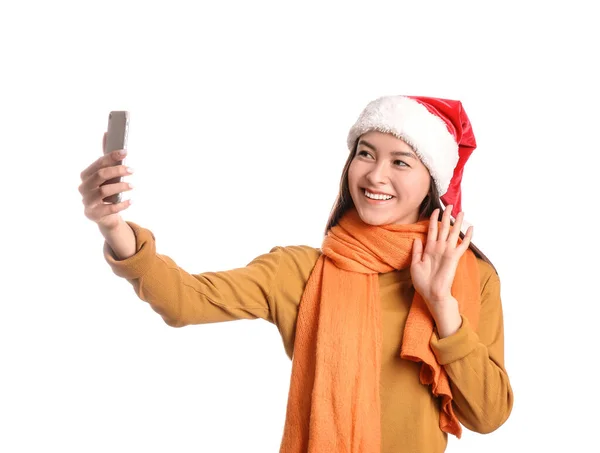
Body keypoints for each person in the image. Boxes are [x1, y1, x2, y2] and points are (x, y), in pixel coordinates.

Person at [79, 95, 514, 452]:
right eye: (365, 154)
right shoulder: (302, 271)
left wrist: (442, 306)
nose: (376, 175)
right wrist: (113, 227)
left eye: (401, 162)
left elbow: (487, 415)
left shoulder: (468, 275)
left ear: (431, 182)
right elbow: (185, 300)